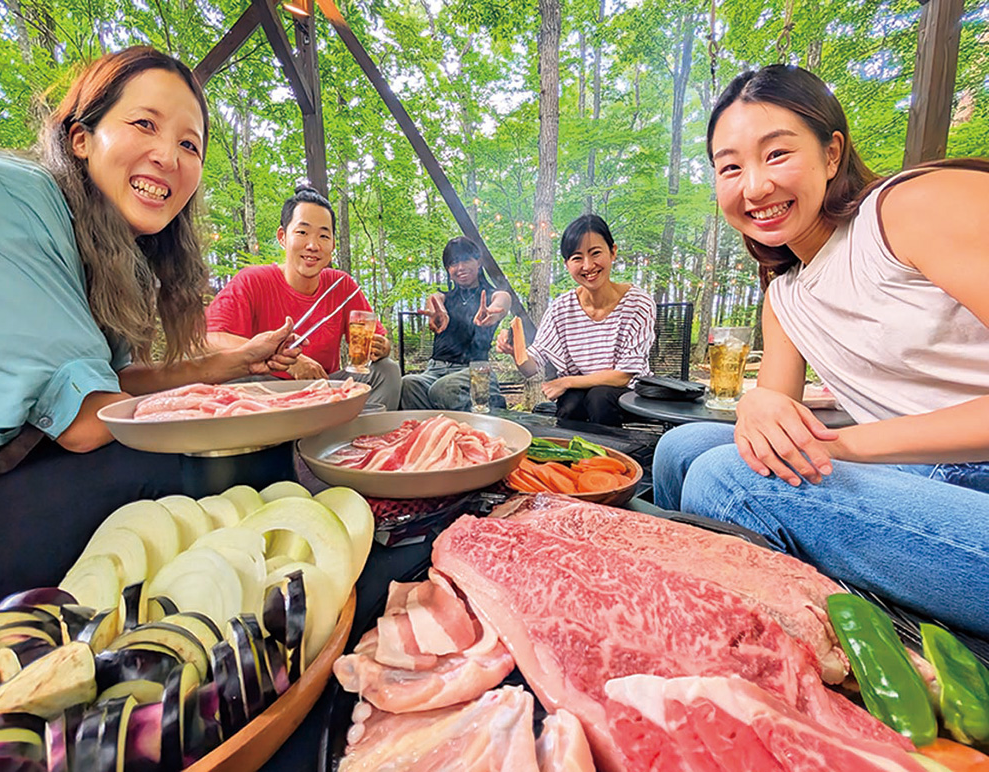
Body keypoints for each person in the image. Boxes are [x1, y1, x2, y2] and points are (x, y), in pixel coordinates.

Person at [652, 64, 989, 636]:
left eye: (776, 154)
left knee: (724, 479)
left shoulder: (910, 207)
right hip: (917, 476)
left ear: (833, 153)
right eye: (730, 167)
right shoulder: (785, 293)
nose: (754, 187)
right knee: (681, 447)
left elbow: (791, 452)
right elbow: (772, 418)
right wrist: (758, 407)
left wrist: (845, 446)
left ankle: (772, 649)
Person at [0, 47, 301, 617]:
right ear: (80, 137)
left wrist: (237, 364)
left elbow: (116, 380)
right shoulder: (8, 193)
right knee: (209, 460)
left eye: (190, 145)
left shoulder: (109, 251)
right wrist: (246, 411)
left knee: (238, 451)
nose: (168, 156)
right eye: (144, 124)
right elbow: (89, 423)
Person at [205, 186, 401, 411]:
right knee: (235, 383)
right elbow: (211, 339)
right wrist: (289, 361)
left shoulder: (341, 285)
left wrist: (382, 347)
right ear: (282, 237)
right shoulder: (252, 280)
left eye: (324, 236)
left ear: (333, 245)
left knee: (387, 371)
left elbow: (375, 340)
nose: (313, 245)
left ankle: (360, 438)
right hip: (270, 393)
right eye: (302, 232)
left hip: (325, 390)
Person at [496, 214, 656, 426]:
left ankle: (613, 457)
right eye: (577, 258)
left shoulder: (638, 303)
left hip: (627, 395)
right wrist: (516, 351)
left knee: (598, 398)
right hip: (579, 394)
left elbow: (623, 376)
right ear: (567, 264)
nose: (588, 266)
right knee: (571, 403)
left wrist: (568, 381)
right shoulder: (561, 308)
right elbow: (531, 367)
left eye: (595, 253)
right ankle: (572, 457)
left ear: (613, 252)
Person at [399, 237, 512, 411]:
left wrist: (493, 312)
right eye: (453, 263)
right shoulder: (443, 298)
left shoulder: (492, 295)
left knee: (444, 388)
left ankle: (479, 425)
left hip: (474, 371)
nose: (460, 268)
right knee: (408, 384)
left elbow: (503, 300)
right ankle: (432, 433)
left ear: (479, 261)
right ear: (447, 269)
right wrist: (438, 313)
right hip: (435, 370)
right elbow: (434, 299)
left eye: (466, 260)